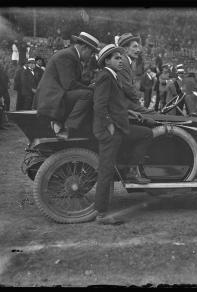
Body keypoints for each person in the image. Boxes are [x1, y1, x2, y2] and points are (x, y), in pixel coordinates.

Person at [92, 44, 153, 224]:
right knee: (106, 170)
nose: (121, 61)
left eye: (121, 58)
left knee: (146, 134)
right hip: (110, 130)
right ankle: (101, 214)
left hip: (120, 126)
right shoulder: (105, 76)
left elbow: (115, 104)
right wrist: (109, 125)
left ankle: (131, 169)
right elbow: (100, 105)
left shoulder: (114, 76)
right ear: (107, 61)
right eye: (117, 58)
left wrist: (131, 113)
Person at [36, 32, 100, 138]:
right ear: (85, 47)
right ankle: (69, 127)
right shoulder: (67, 55)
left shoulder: (72, 56)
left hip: (57, 95)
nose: (91, 56)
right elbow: (69, 84)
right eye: (92, 53)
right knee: (87, 95)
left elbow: (75, 82)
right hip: (51, 98)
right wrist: (92, 90)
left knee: (89, 92)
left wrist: (92, 85)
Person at [116, 33, 153, 113]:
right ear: (125, 49)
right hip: (122, 103)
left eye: (138, 47)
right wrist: (138, 104)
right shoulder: (123, 62)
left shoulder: (128, 62)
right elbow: (128, 88)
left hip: (125, 101)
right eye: (135, 47)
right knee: (151, 114)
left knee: (150, 113)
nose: (138, 50)